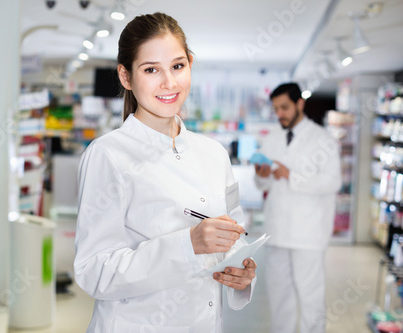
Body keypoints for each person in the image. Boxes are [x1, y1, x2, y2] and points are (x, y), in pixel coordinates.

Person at [74, 12, 256, 333]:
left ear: (189, 65)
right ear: (126, 77)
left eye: (177, 66)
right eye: (151, 70)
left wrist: (239, 272)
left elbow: (235, 233)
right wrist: (188, 245)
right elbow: (94, 272)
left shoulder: (213, 153)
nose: (169, 83)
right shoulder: (108, 156)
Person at [254, 83, 341, 333]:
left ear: (299, 104)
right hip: (277, 230)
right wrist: (261, 174)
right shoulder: (271, 139)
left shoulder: (322, 139)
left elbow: (332, 181)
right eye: (276, 109)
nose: (279, 113)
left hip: (308, 233)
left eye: (284, 107)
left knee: (310, 297)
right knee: (280, 298)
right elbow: (262, 184)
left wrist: (291, 175)